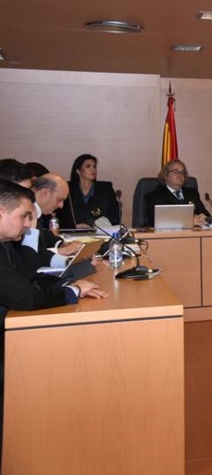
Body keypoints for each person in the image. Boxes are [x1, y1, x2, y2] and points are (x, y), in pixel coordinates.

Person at [0, 180, 108, 450]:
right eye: (24, 216)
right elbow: (25, 297)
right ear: (1, 212)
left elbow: (26, 278)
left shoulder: (4, 244)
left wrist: (70, 284)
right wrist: (72, 291)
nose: (29, 224)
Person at [57, 154, 121, 229]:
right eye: (88, 166)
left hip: (98, 233)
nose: (93, 170)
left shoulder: (106, 190)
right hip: (72, 233)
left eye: (94, 167)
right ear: (78, 171)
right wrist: (74, 226)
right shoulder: (67, 190)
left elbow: (114, 216)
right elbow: (59, 216)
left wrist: (93, 225)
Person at [143, 160, 210, 227]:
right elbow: (157, 221)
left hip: (194, 232)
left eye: (182, 172)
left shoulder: (192, 194)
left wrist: (204, 218)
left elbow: (206, 215)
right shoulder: (155, 196)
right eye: (175, 172)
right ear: (165, 175)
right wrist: (189, 222)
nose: (179, 175)